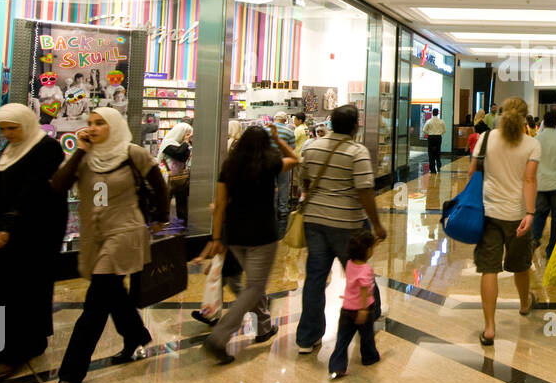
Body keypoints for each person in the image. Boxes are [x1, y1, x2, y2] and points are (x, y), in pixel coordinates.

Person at [45, 107, 169, 383]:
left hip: (124, 233)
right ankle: (136, 334)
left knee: (95, 304)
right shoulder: (85, 157)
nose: (93, 127)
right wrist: (80, 151)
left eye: (100, 123)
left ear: (114, 126)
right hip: (95, 236)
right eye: (90, 123)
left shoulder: (132, 153)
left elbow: (159, 185)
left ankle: (71, 374)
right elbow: (58, 185)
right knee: (113, 292)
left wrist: (161, 217)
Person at [196, 123, 297, 364]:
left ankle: (264, 324)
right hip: (262, 234)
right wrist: (278, 140)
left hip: (235, 235)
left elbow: (220, 205)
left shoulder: (229, 167)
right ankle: (219, 337)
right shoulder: (269, 164)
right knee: (255, 286)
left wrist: (216, 238)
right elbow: (295, 159)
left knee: (253, 284)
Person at [0, 104, 67, 380]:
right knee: (5, 287)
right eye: (3, 129)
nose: (7, 134)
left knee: (21, 291)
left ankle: (13, 353)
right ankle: (23, 343)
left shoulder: (46, 148)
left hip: (35, 233)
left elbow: (34, 192)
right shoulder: (12, 148)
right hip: (6, 230)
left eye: (12, 128)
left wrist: (7, 227)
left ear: (26, 123)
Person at [295, 104, 387, 355]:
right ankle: (371, 314)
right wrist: (377, 224)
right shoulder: (357, 152)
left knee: (315, 278)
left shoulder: (312, 147)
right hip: (348, 223)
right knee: (359, 271)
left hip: (315, 221)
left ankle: (307, 337)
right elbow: (365, 190)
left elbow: (304, 180)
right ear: (355, 126)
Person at [470, 97, 540, 346]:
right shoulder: (532, 144)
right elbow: (529, 180)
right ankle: (524, 304)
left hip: (488, 213)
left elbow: (472, 172)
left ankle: (489, 328)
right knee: (521, 265)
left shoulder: (485, 138)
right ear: (525, 118)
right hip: (518, 215)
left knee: (489, 269)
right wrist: (530, 213)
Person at [328, 228, 381, 379]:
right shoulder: (366, 269)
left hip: (347, 309)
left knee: (342, 339)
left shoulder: (350, 264)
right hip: (363, 309)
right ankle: (370, 357)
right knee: (367, 336)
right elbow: (364, 289)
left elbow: (364, 250)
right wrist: (363, 309)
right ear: (367, 251)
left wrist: (373, 244)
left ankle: (337, 366)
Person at [530, 109, 556, 262]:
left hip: (541, 183)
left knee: (540, 213)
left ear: (544, 123)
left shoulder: (537, 140)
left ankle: (534, 238)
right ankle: (551, 249)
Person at [158, 121, 193, 224]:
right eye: (186, 134)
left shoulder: (181, 144)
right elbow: (178, 153)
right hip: (167, 176)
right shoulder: (168, 143)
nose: (188, 137)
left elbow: (183, 157)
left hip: (179, 176)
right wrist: (185, 143)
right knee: (166, 197)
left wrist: (187, 144)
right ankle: (163, 219)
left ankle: (182, 218)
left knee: (182, 198)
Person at [423, 106, 446, 173]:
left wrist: (429, 133)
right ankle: (439, 166)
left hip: (431, 137)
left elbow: (424, 130)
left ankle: (432, 169)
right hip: (438, 137)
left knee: (431, 153)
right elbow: (444, 130)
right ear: (438, 113)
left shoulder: (429, 121)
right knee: (438, 152)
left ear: (432, 113)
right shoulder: (441, 121)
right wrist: (439, 133)